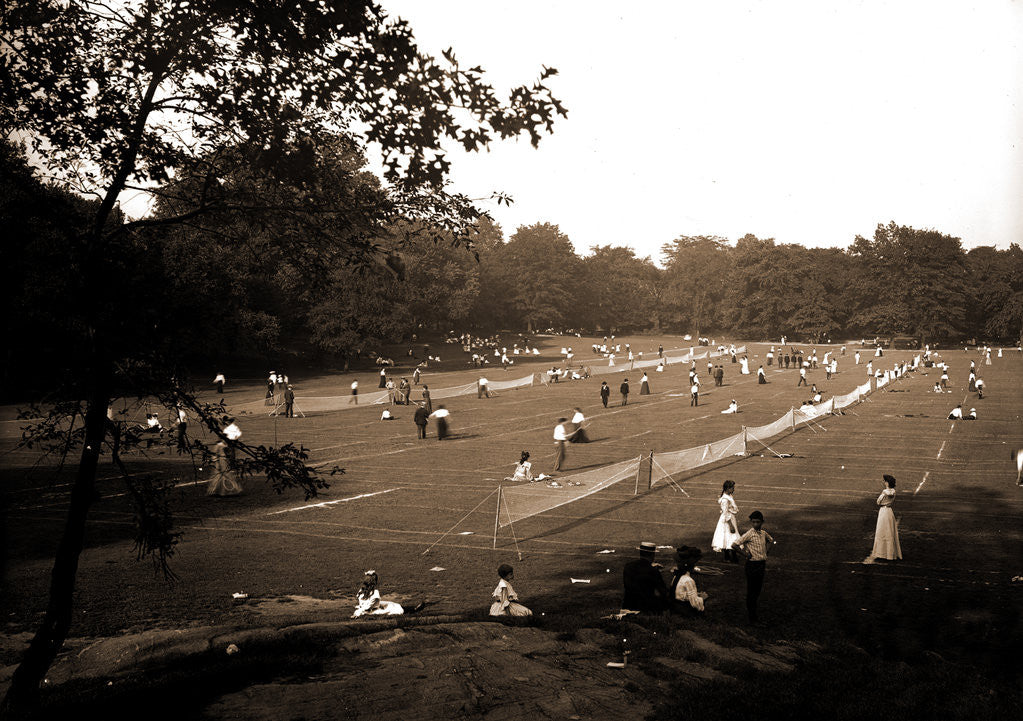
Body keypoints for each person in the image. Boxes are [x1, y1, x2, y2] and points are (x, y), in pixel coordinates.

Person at [732, 510, 775, 624]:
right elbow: (734, 545)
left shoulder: (763, 533)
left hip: (761, 564)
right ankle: (752, 617)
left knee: (757, 590)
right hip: (752, 565)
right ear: (751, 522)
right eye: (753, 522)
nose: (756, 524)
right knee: (752, 591)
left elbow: (771, 540)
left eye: (758, 522)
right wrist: (746, 554)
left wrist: (766, 552)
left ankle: (753, 614)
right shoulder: (749, 533)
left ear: (762, 522)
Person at [622, 541, 669, 614]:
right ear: (653, 555)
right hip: (645, 609)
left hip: (627, 606)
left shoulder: (628, 566)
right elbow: (663, 591)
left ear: (640, 552)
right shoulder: (653, 571)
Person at [868, 475, 902, 561]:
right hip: (890, 512)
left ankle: (881, 553)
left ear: (887, 483)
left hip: (883, 512)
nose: (884, 482)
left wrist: (883, 494)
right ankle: (890, 554)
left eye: (885, 481)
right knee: (890, 532)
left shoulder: (884, 491)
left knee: (881, 531)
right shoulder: (894, 491)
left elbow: (878, 502)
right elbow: (891, 495)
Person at [207, 417, 242, 497]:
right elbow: (216, 454)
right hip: (222, 460)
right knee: (222, 475)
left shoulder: (222, 444)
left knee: (222, 475)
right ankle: (220, 490)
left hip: (223, 460)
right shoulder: (222, 444)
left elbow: (216, 454)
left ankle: (217, 490)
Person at [669, 545, 707, 614]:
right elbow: (695, 604)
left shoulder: (677, 576)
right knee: (703, 597)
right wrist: (703, 598)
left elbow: (680, 594)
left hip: (674, 606)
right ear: (691, 566)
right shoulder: (688, 580)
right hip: (683, 610)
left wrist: (697, 594)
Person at [711, 480, 740, 562]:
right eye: (732, 487)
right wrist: (731, 525)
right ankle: (731, 557)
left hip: (730, 518)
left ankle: (730, 557)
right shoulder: (725, 500)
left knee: (729, 538)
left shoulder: (729, 496)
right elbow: (725, 512)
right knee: (729, 537)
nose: (733, 489)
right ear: (727, 488)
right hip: (727, 520)